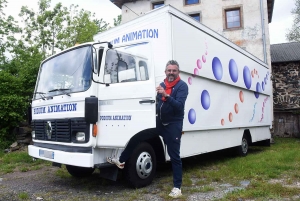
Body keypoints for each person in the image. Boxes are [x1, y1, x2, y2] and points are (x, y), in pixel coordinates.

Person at [107, 60, 188, 198]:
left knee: (175, 157)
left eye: (174, 71)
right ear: (165, 72)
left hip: (173, 124)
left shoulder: (182, 86)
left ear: (178, 72)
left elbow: (179, 106)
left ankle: (177, 188)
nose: (171, 73)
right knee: (138, 136)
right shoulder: (162, 85)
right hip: (159, 122)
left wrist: (166, 96)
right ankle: (121, 160)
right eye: (169, 70)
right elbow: (156, 104)